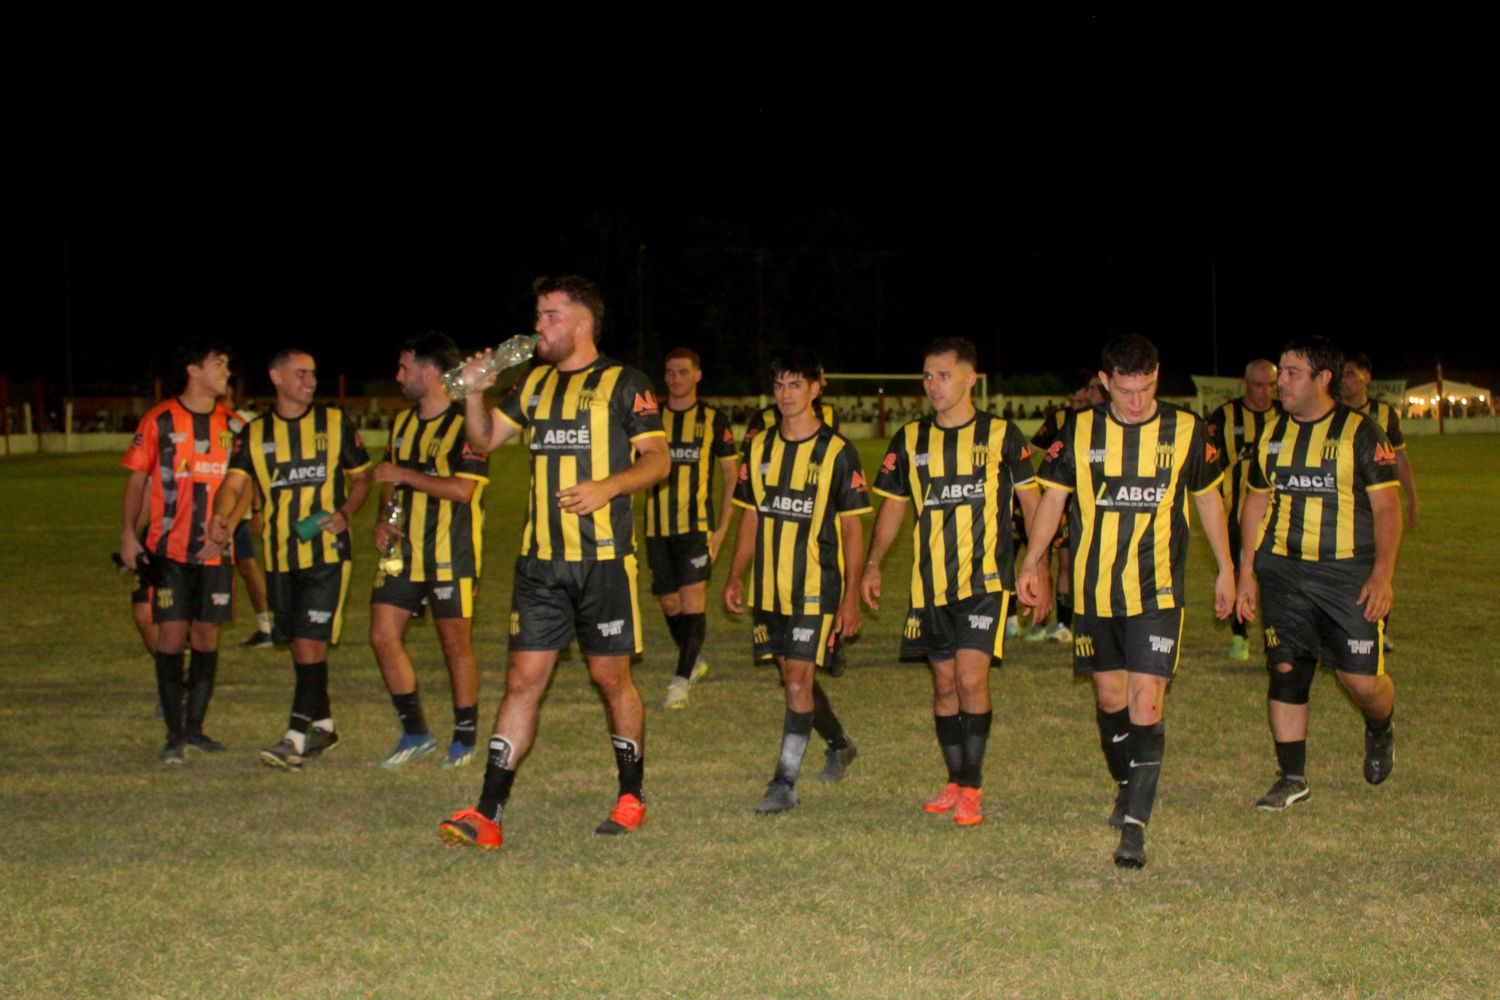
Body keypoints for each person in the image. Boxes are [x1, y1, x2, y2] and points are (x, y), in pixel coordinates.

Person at [439, 275, 668, 851]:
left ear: (582, 323)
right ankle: (487, 811)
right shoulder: (534, 382)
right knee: (522, 682)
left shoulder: (624, 383)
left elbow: (657, 460)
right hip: (540, 563)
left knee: (609, 678)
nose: (538, 325)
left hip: (604, 562)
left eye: (549, 315)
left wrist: (609, 487)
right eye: (538, 315)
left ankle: (631, 793)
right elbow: (486, 440)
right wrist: (473, 391)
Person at [1018, 334, 1234, 868]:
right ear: (1105, 381)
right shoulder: (1080, 430)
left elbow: (1208, 501)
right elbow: (1053, 499)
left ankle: (1135, 829)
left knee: (1147, 703)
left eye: (1147, 388)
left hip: (1157, 591)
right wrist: (1033, 562)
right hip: (1093, 593)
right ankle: (1125, 783)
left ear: (1157, 377)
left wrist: (1229, 569)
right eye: (1126, 390)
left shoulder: (1186, 430)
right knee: (1111, 700)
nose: (1137, 402)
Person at [862, 337, 1039, 826]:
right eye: (927, 376)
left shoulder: (1003, 435)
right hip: (930, 586)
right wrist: (874, 563)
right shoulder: (911, 440)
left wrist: (1036, 564)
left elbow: (1031, 500)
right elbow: (893, 506)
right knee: (943, 687)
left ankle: (974, 787)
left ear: (969, 379)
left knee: (969, 678)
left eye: (942, 375)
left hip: (986, 582)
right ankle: (955, 779)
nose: (933, 385)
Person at [1236, 337, 1402, 811]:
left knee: (1361, 683)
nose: (1278, 382)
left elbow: (1387, 510)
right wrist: (1247, 572)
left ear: (1322, 379)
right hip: (1283, 571)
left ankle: (1380, 725)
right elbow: (1255, 500)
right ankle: (1291, 777)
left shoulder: (1362, 433)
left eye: (1291, 373)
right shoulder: (1271, 434)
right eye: (1279, 372)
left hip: (1347, 574)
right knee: (1286, 668)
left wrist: (1383, 575)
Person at [207, 347, 373, 770]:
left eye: (313, 374)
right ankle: (324, 725)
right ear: (276, 377)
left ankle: (295, 737)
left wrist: (345, 513)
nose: (310, 381)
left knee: (308, 641)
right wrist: (221, 517)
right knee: (302, 648)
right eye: (300, 374)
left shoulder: (334, 423)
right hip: (280, 557)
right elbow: (233, 482)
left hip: (327, 555)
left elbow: (362, 477)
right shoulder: (255, 433)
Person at [723, 350, 870, 815]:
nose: (786, 394)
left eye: (795, 385)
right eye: (780, 386)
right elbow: (749, 515)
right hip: (770, 586)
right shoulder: (760, 446)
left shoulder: (837, 452)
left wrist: (849, 598)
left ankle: (784, 782)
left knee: (797, 682)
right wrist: (735, 574)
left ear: (815, 388)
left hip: (816, 585)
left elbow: (851, 527)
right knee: (793, 677)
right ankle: (841, 743)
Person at [369, 332, 490, 768]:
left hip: (451, 555)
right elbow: (389, 482)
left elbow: (461, 490)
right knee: (382, 636)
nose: (398, 376)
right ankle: (416, 731)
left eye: (405, 368)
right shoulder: (401, 425)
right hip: (405, 555)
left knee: (454, 646)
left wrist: (403, 473)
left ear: (430, 372)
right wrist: (387, 521)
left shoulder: (468, 425)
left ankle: (464, 737)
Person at [120, 340, 241, 764]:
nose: (226, 371)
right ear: (193, 370)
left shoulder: (235, 424)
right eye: (219, 363)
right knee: (172, 635)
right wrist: (128, 536)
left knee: (206, 635)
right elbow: (137, 481)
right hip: (167, 551)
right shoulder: (159, 420)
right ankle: (174, 734)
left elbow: (246, 486)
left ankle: (196, 729)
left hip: (214, 553)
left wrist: (229, 526)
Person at [644, 347, 740, 709]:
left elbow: (732, 477)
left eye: (683, 372)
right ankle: (694, 658)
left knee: (692, 600)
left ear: (697, 375)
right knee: (669, 603)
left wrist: (721, 530)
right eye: (669, 373)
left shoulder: (714, 420)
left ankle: (680, 681)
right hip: (656, 526)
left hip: (696, 528)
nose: (675, 379)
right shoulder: (651, 417)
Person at [1016, 368, 1108, 643]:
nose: (1079, 405)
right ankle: (1049, 621)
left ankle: (1071, 622)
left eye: (1084, 399)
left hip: (1088, 508)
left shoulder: (1105, 423)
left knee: (1077, 564)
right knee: (1048, 560)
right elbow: (1031, 449)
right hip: (1056, 504)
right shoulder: (1062, 421)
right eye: (1075, 401)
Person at [1340, 352, 1417, 653]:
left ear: (1366, 377)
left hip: (1376, 504)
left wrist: (1411, 497)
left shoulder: (1384, 414)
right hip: (1343, 504)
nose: (1344, 380)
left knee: (1380, 564)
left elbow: (1400, 458)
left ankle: (1379, 629)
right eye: (1341, 374)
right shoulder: (1331, 413)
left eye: (1350, 373)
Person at [1205, 359, 1280, 661]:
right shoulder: (1224, 416)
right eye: (1259, 385)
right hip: (1232, 515)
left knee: (1275, 578)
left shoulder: (1285, 417)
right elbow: (1208, 465)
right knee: (1236, 573)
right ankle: (1240, 635)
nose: (1266, 392)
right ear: (1245, 384)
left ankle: (1275, 637)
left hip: (1278, 516)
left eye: (1271, 385)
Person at [224, 382, 274, 647]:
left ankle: (266, 627)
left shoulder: (242, 422)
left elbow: (255, 470)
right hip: (208, 512)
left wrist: (256, 508)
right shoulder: (205, 420)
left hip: (238, 513)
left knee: (246, 566)